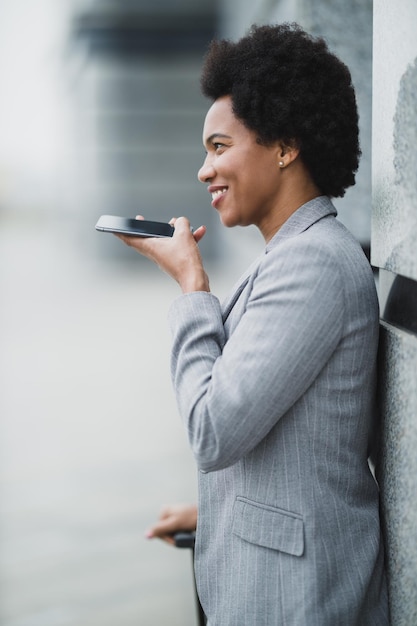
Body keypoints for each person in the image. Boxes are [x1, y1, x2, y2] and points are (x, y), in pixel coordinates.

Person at [117, 23, 388, 626]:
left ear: (286, 145)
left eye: (219, 147)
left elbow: (213, 429)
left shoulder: (313, 264)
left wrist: (193, 287)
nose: (202, 171)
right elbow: (290, 445)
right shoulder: (294, 255)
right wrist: (212, 513)